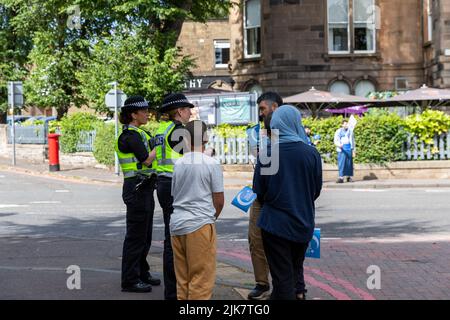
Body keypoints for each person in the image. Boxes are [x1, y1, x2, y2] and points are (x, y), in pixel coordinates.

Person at [254, 105, 322, 300]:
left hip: (275, 225)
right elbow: (315, 190)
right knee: (295, 269)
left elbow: (260, 191)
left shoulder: (269, 153)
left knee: (282, 279)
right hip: (303, 223)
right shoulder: (311, 153)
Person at [170, 120, 225, 300]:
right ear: (206, 139)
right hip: (200, 224)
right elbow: (219, 201)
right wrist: (210, 218)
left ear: (186, 140)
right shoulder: (211, 163)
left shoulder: (178, 164)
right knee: (201, 280)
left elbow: (174, 195)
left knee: (183, 280)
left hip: (177, 225)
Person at [115, 96, 161, 293]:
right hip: (136, 189)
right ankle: (130, 280)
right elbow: (146, 161)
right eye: (143, 111)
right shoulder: (130, 136)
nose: (147, 113)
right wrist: (157, 146)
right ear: (133, 115)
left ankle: (142, 272)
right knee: (136, 237)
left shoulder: (139, 132)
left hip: (144, 188)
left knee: (145, 236)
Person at [155, 92, 193, 300]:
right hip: (175, 187)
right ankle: (175, 292)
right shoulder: (179, 132)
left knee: (170, 238)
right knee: (176, 241)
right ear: (179, 111)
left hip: (163, 183)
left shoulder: (162, 129)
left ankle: (173, 291)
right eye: (188, 109)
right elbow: (191, 160)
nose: (190, 112)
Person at [247, 92, 283, 300]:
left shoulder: (288, 130)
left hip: (279, 196)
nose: (260, 113)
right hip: (260, 194)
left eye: (263, 109)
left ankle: (284, 284)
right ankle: (261, 282)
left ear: (275, 107)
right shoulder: (260, 132)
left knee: (279, 242)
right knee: (255, 238)